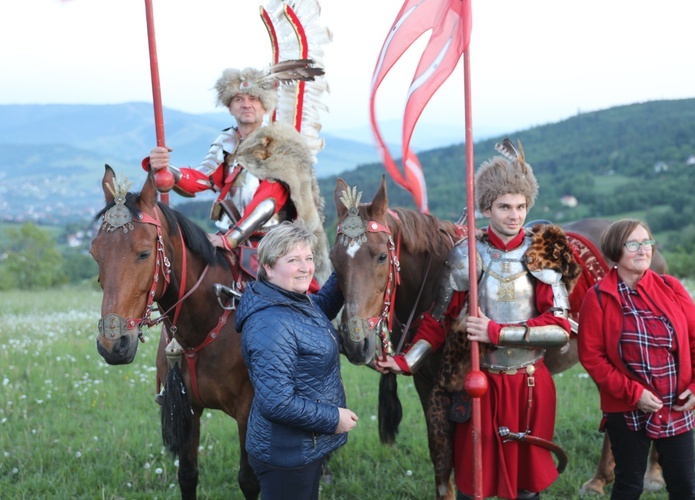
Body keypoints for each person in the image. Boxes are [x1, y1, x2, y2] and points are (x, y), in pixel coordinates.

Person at [377, 139, 579, 499]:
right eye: (504, 206)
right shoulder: (465, 256)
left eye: (520, 206)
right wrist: (405, 360)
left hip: (529, 383)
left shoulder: (543, 255)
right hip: (479, 383)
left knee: (526, 484)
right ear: (486, 208)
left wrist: (496, 331)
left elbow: (559, 330)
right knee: (475, 482)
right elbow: (437, 322)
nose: (514, 215)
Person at [142, 63, 330, 284]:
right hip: (227, 238)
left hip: (273, 243)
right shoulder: (226, 142)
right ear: (230, 107)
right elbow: (203, 179)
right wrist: (167, 169)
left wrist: (230, 240)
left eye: (253, 99)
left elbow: (268, 202)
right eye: (239, 99)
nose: (246, 105)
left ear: (264, 106)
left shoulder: (280, 143)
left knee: (290, 301)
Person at [577, 219, 695, 499]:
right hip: (627, 408)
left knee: (684, 487)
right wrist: (634, 394)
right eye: (633, 244)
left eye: (647, 242)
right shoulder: (598, 298)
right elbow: (592, 357)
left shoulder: (671, 288)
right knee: (628, 486)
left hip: (676, 405)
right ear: (616, 250)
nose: (644, 250)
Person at [235, 220, 358, 499]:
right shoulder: (270, 323)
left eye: (309, 258)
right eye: (293, 260)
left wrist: (349, 256)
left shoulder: (291, 300)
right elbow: (277, 402)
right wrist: (332, 418)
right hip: (286, 456)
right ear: (267, 267)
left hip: (302, 446)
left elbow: (320, 306)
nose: (305, 268)